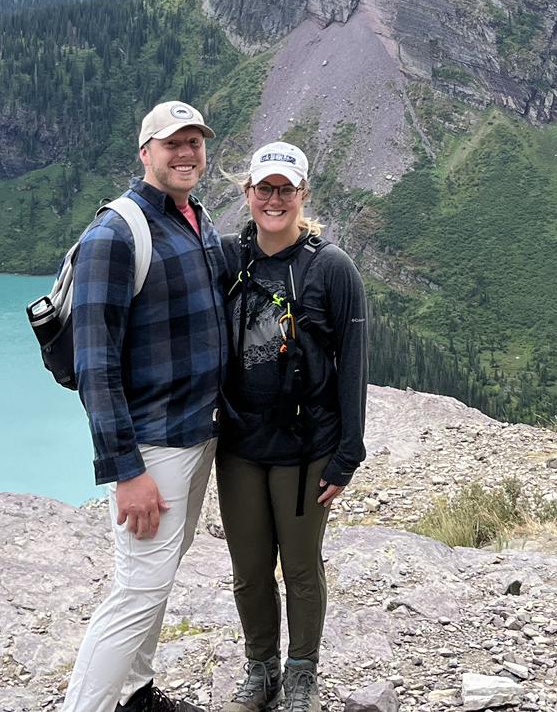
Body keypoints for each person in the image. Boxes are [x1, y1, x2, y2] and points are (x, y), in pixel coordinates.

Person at [62, 101, 227, 712]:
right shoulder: (114, 233)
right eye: (171, 144)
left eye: (195, 143)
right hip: (154, 446)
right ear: (145, 153)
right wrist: (126, 471)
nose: (185, 153)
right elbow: (94, 367)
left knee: (158, 577)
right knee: (139, 590)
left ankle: (135, 693)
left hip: (198, 433)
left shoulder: (195, 219)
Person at [218, 141, 368, 712]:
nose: (273, 199)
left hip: (308, 446)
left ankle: (301, 673)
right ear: (248, 194)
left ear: (303, 196)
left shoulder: (330, 268)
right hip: (240, 445)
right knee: (249, 570)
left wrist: (347, 454)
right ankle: (261, 669)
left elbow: (353, 361)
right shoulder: (230, 258)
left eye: (285, 189)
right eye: (264, 189)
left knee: (301, 567)